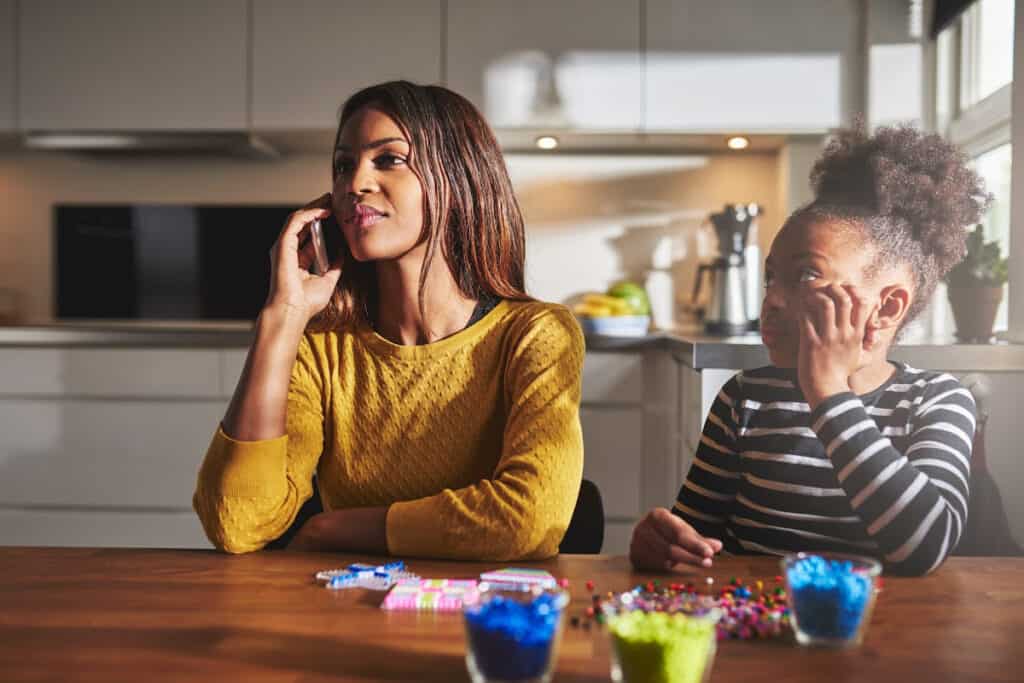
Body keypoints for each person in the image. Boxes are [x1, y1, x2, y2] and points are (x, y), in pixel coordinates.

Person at [193, 81, 584, 560]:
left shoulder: (536, 335)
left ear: (457, 177)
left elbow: (530, 519)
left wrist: (334, 529)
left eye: (388, 159)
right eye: (343, 164)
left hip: (484, 623)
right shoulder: (322, 347)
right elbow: (237, 522)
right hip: (343, 614)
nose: (354, 183)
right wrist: (282, 317)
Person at [630, 124, 990, 576]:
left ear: (887, 306)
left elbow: (923, 546)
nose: (773, 299)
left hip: (893, 634)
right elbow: (693, 537)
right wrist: (662, 543)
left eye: (805, 277)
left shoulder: (938, 402)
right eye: (771, 278)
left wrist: (828, 393)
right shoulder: (745, 400)